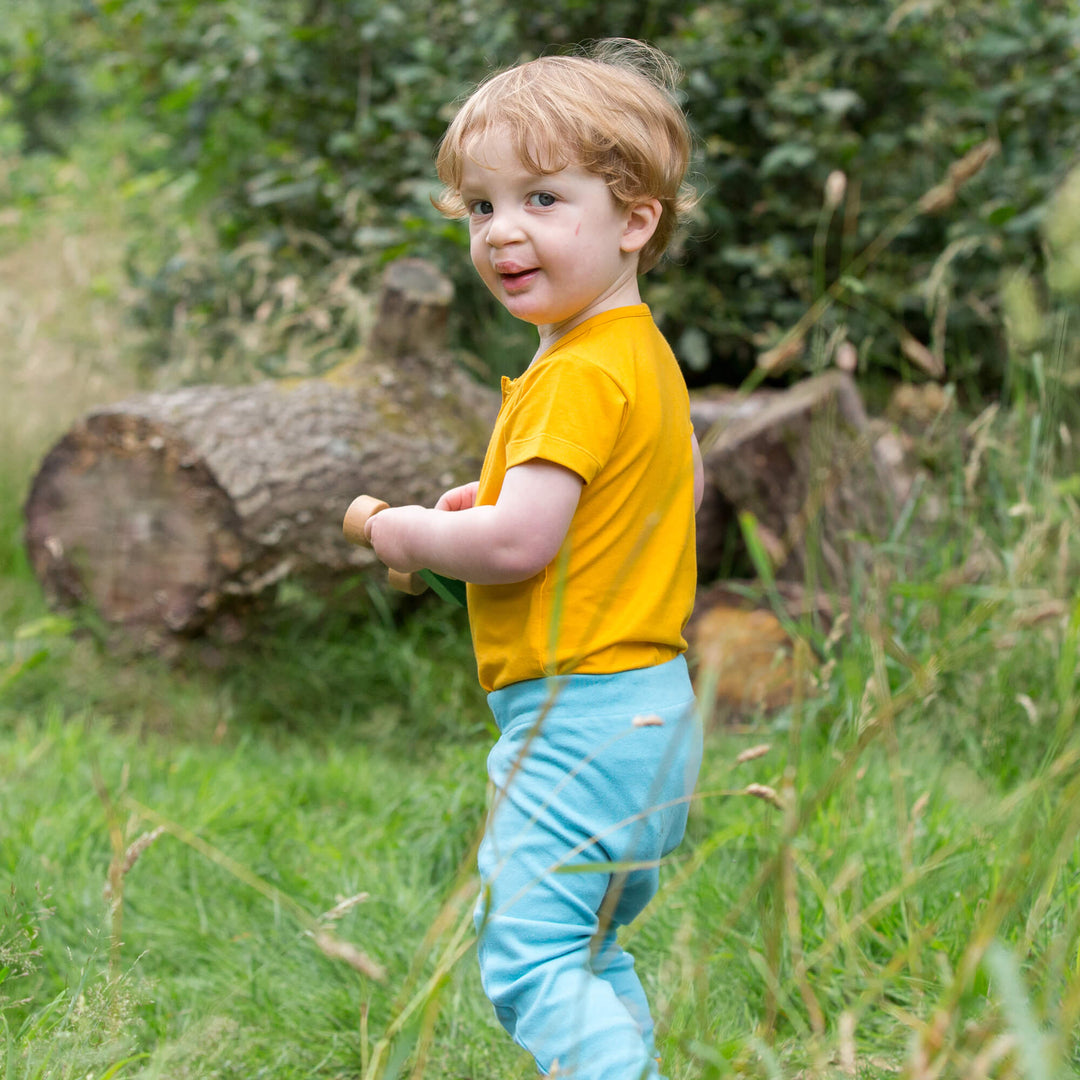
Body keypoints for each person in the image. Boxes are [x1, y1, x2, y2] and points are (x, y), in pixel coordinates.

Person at [365, 38, 704, 1080]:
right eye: (481, 207)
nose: (503, 232)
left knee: (530, 957)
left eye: (544, 200)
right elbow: (660, 493)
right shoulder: (635, 354)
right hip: (653, 714)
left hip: (577, 718)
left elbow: (514, 546)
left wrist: (406, 532)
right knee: (588, 948)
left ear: (635, 219)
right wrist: (508, 504)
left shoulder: (570, 377)